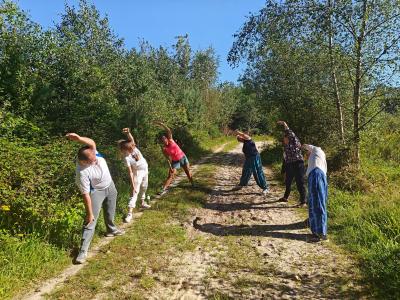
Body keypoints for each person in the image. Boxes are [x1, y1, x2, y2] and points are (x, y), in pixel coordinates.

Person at [66, 133, 124, 264]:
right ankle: (83, 251)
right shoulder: (81, 173)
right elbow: (86, 194)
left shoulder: (92, 152)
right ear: (85, 162)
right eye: (93, 160)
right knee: (90, 221)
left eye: (95, 156)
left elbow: (91, 142)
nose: (96, 159)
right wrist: (90, 213)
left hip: (110, 185)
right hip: (96, 192)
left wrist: (79, 139)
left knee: (110, 209)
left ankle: (111, 229)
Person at [117, 128, 151, 224]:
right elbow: (130, 172)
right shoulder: (126, 158)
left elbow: (131, 140)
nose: (133, 149)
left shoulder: (133, 147)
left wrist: (128, 133)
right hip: (137, 172)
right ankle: (129, 213)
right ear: (125, 150)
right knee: (135, 191)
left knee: (145, 186)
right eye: (130, 148)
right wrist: (132, 185)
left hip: (145, 169)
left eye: (132, 147)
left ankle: (143, 202)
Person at [154, 121, 193, 195]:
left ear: (166, 139)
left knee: (187, 172)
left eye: (164, 139)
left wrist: (161, 124)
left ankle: (193, 184)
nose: (164, 141)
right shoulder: (164, 149)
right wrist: (170, 167)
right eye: (162, 141)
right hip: (175, 161)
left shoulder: (171, 140)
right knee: (171, 175)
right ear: (162, 142)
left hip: (183, 157)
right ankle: (163, 189)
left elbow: (168, 130)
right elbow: (168, 158)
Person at [277, 121, 306, 206]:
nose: (284, 139)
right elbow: (285, 159)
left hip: (298, 164)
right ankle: (285, 197)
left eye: (285, 138)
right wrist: (284, 169)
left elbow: (290, 133)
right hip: (290, 165)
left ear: (289, 138)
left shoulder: (294, 142)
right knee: (288, 181)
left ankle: (303, 201)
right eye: (284, 138)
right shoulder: (285, 146)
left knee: (300, 182)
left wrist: (285, 125)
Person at [303, 144, 328, 242]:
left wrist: (303, 145)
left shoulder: (316, 150)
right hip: (319, 176)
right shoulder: (319, 157)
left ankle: (320, 233)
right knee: (316, 202)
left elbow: (308, 146)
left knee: (317, 203)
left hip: (316, 175)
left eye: (307, 154)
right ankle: (316, 228)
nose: (306, 157)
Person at [235, 130, 270, 195]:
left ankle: (265, 188)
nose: (238, 139)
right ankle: (242, 184)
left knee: (257, 172)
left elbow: (244, 135)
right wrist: (238, 135)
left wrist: (238, 132)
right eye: (238, 138)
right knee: (245, 171)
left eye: (239, 137)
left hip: (255, 158)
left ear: (242, 137)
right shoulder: (245, 142)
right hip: (248, 159)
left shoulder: (248, 139)